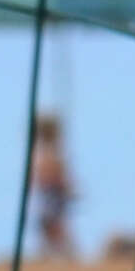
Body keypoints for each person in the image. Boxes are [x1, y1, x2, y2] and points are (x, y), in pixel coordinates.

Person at [26, 111, 80, 259]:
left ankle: (65, 257)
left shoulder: (49, 153)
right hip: (50, 199)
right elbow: (45, 178)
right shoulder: (46, 153)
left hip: (53, 199)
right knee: (52, 230)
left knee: (55, 231)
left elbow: (55, 176)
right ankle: (57, 256)